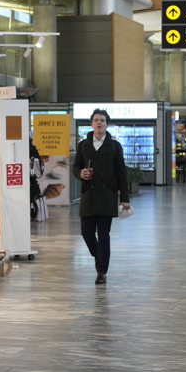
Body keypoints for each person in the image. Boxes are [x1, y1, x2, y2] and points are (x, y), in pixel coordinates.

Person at [72, 108, 131, 285]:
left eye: (103, 120)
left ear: (107, 124)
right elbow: (76, 167)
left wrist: (125, 198)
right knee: (86, 232)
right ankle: (99, 255)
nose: (99, 123)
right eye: (96, 120)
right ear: (91, 123)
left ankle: (101, 272)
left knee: (104, 235)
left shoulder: (114, 146)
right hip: (88, 195)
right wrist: (80, 173)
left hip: (107, 196)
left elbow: (122, 173)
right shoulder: (83, 145)